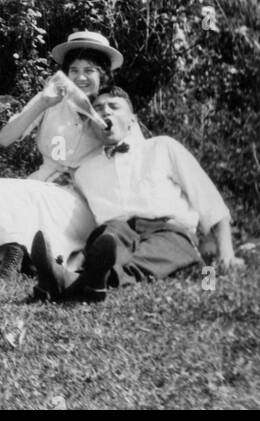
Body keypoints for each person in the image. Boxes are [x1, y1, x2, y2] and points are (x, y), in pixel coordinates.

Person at [32, 86, 244, 303]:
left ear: (132, 120)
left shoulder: (163, 147)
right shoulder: (84, 172)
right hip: (117, 232)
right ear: (92, 125)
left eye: (114, 107)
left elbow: (209, 199)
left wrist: (226, 253)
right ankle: (89, 279)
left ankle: (71, 281)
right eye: (98, 109)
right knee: (110, 235)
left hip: (169, 231)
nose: (105, 112)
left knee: (164, 249)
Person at [0, 31, 121, 279]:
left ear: (103, 76)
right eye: (74, 70)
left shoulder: (113, 108)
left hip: (81, 198)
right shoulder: (52, 100)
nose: (80, 77)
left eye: (89, 70)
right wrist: (42, 103)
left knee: (33, 195)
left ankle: (16, 260)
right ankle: (19, 257)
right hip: (42, 182)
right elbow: (5, 138)